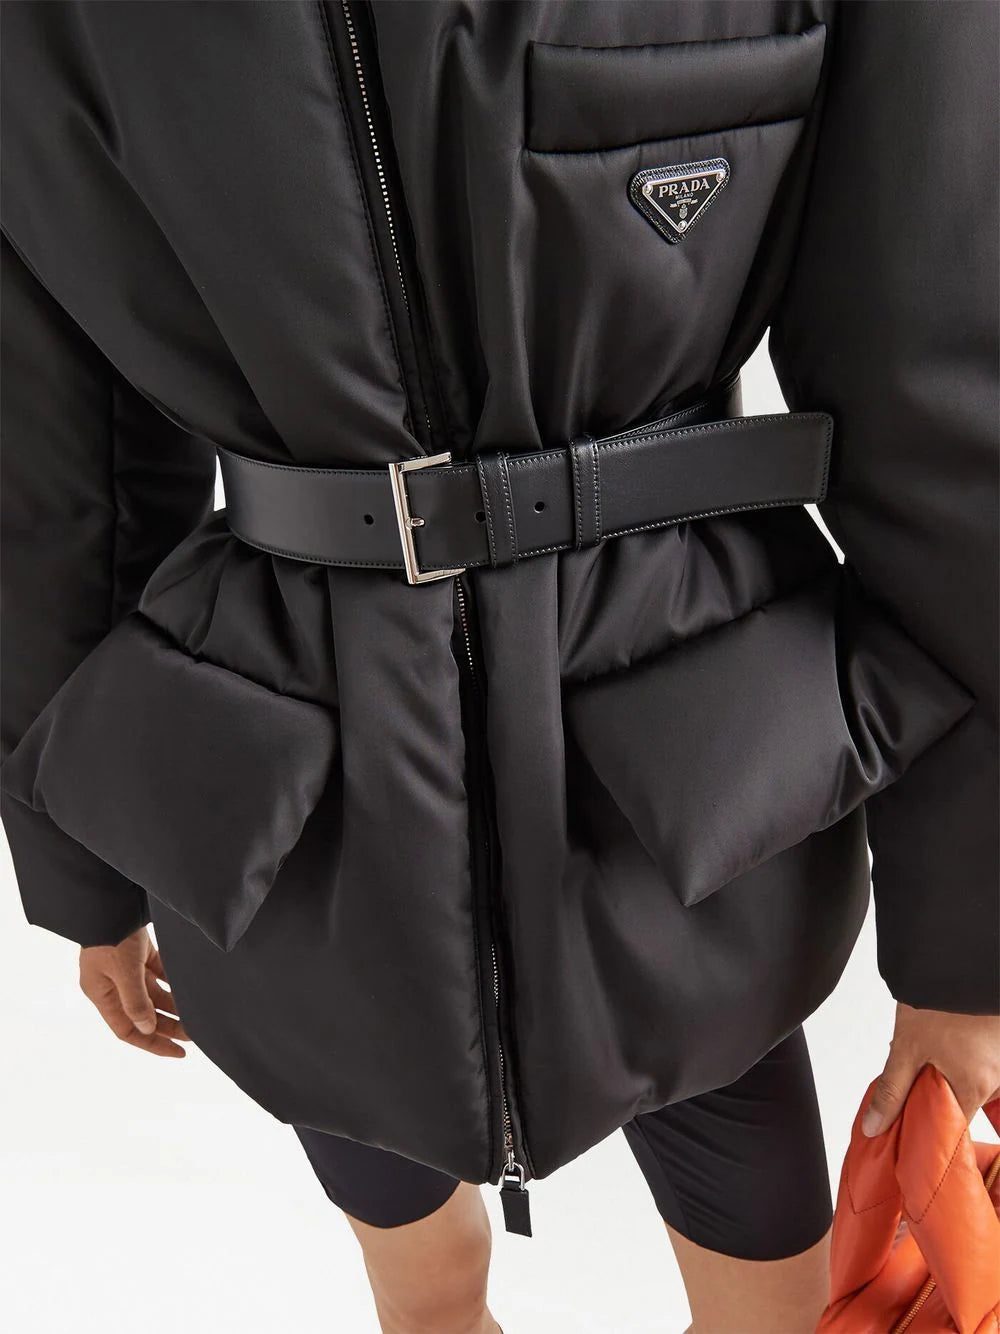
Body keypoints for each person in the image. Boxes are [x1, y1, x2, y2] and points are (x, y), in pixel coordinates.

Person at [2, 4, 997, 1332]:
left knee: (774, 1304)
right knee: (425, 1299)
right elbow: (55, 466)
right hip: (295, 824)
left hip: (694, 794)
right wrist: (81, 861)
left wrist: (969, 948)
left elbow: (944, 392)